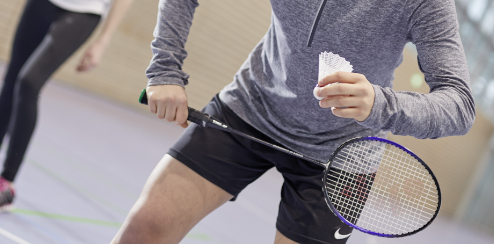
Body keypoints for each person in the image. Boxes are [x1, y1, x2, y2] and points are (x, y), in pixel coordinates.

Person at [112, 0, 475, 243]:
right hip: (249, 112)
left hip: (342, 159)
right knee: (145, 228)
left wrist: (380, 104)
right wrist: (165, 71)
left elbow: (459, 105)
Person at [0, 0, 133, 213]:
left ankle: (7, 184)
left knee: (29, 83)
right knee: (13, 76)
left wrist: (103, 41)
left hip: (84, 12)